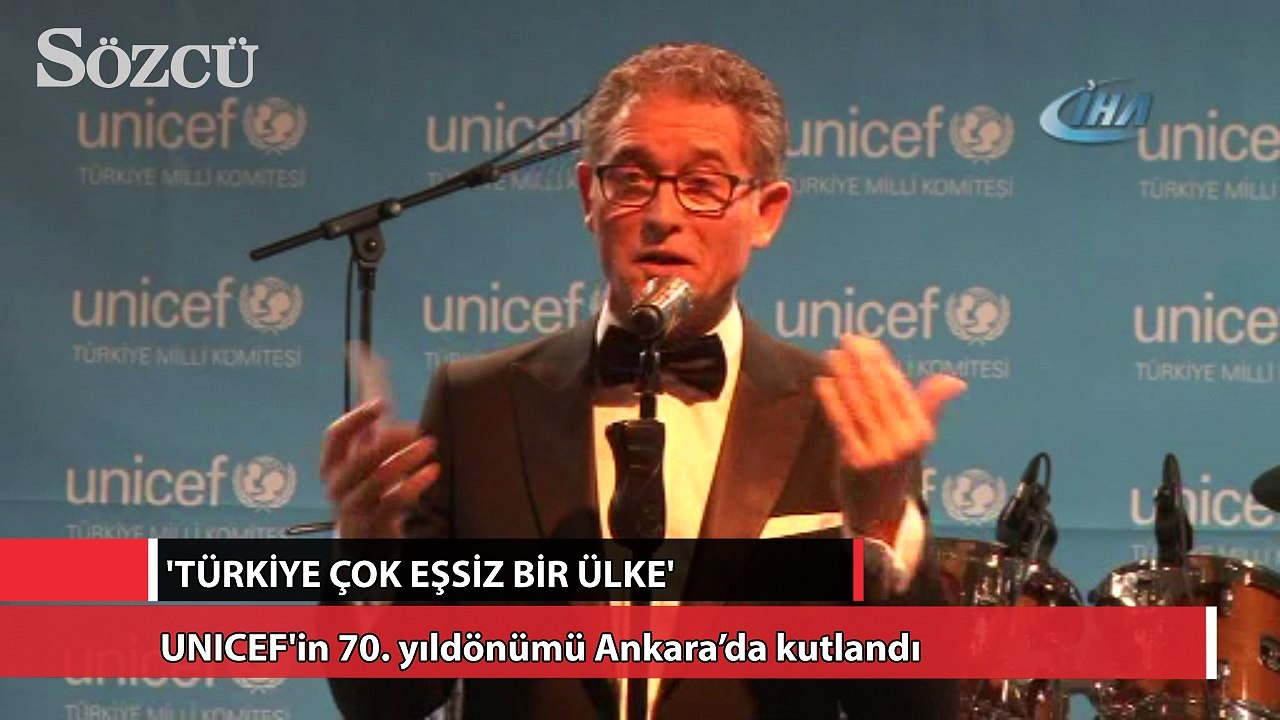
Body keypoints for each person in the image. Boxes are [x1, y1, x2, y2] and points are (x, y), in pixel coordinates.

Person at [323, 42, 965, 720]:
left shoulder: (835, 418)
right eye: (631, 179)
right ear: (589, 196)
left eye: (704, 185)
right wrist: (366, 562)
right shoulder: (477, 403)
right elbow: (386, 701)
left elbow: (912, 712)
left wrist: (881, 527)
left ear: (767, 212)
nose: (663, 215)